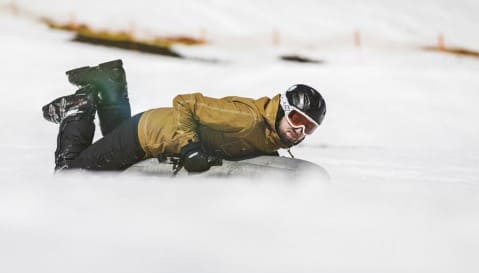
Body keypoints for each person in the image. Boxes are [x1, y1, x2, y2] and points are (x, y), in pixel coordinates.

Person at [42, 59, 327, 173]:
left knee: (111, 142)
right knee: (72, 175)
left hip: (154, 131)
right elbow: (185, 103)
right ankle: (79, 105)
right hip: (148, 134)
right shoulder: (247, 118)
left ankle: (111, 83)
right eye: (297, 120)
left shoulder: (269, 134)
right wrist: (191, 147)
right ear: (283, 110)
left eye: (309, 128)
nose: (299, 131)